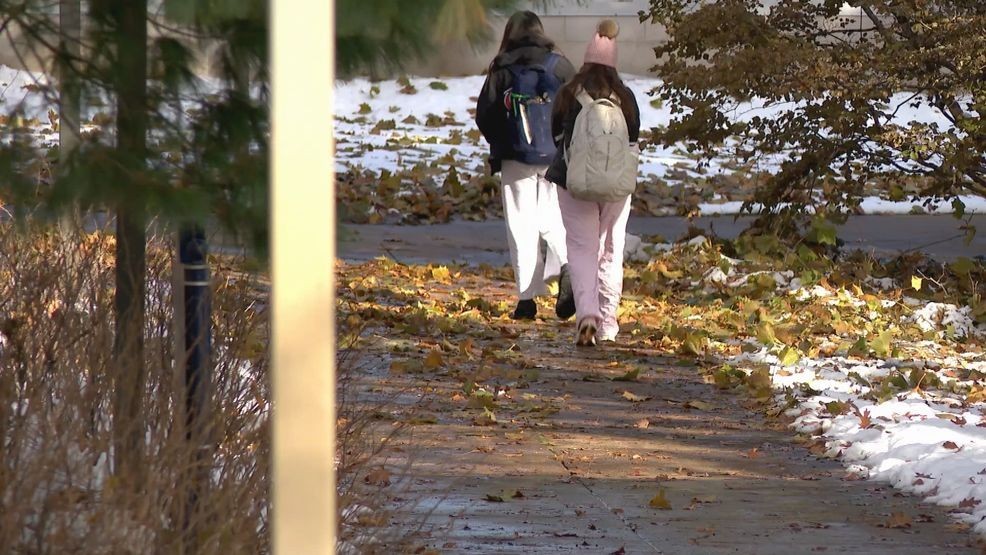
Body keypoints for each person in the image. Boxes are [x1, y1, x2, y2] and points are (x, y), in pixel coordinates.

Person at [475, 11, 576, 321]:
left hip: (515, 156)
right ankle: (567, 267)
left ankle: (526, 299)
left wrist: (502, 143)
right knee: (552, 215)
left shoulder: (501, 68)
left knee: (521, 222)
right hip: (554, 155)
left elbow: (485, 115)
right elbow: (576, 108)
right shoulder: (559, 65)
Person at [546, 19, 640, 346]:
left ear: (585, 60)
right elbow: (633, 141)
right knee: (612, 248)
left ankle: (587, 315)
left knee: (583, 247)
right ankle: (609, 322)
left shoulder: (568, 93)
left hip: (575, 183)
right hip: (615, 186)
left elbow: (556, 136)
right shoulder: (625, 98)